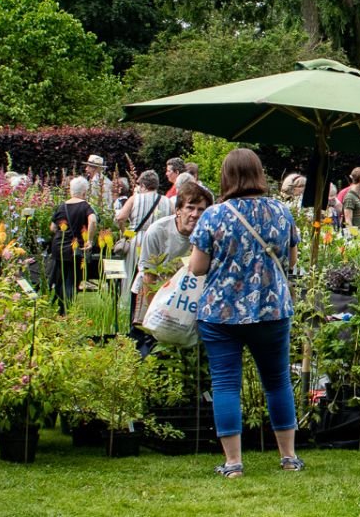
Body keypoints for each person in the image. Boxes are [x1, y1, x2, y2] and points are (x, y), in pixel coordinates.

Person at [186, 148, 303, 477]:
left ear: (226, 177)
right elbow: (291, 262)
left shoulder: (214, 215)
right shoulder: (282, 212)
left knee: (225, 385)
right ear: (259, 173)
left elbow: (197, 267)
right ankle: (289, 457)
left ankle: (234, 463)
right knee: (278, 381)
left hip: (221, 312)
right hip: (272, 309)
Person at [130, 182, 213, 357]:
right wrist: (157, 311)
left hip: (186, 296)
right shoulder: (158, 231)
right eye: (190, 208)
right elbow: (148, 275)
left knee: (187, 347)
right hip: (154, 292)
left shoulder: (206, 235)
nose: (195, 214)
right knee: (150, 346)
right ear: (178, 210)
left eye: (201, 210)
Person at [47, 177, 99, 313]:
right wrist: (90, 240)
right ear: (84, 192)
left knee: (59, 279)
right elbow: (93, 221)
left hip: (58, 247)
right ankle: (66, 311)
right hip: (75, 249)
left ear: (71, 191)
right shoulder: (85, 206)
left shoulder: (62, 206)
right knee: (71, 279)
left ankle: (58, 308)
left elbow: (52, 227)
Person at [115, 171, 169, 297]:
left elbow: (120, 218)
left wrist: (125, 232)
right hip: (159, 241)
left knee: (133, 272)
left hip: (137, 238)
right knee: (154, 273)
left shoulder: (135, 199)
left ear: (143, 185)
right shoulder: (166, 201)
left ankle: (129, 301)